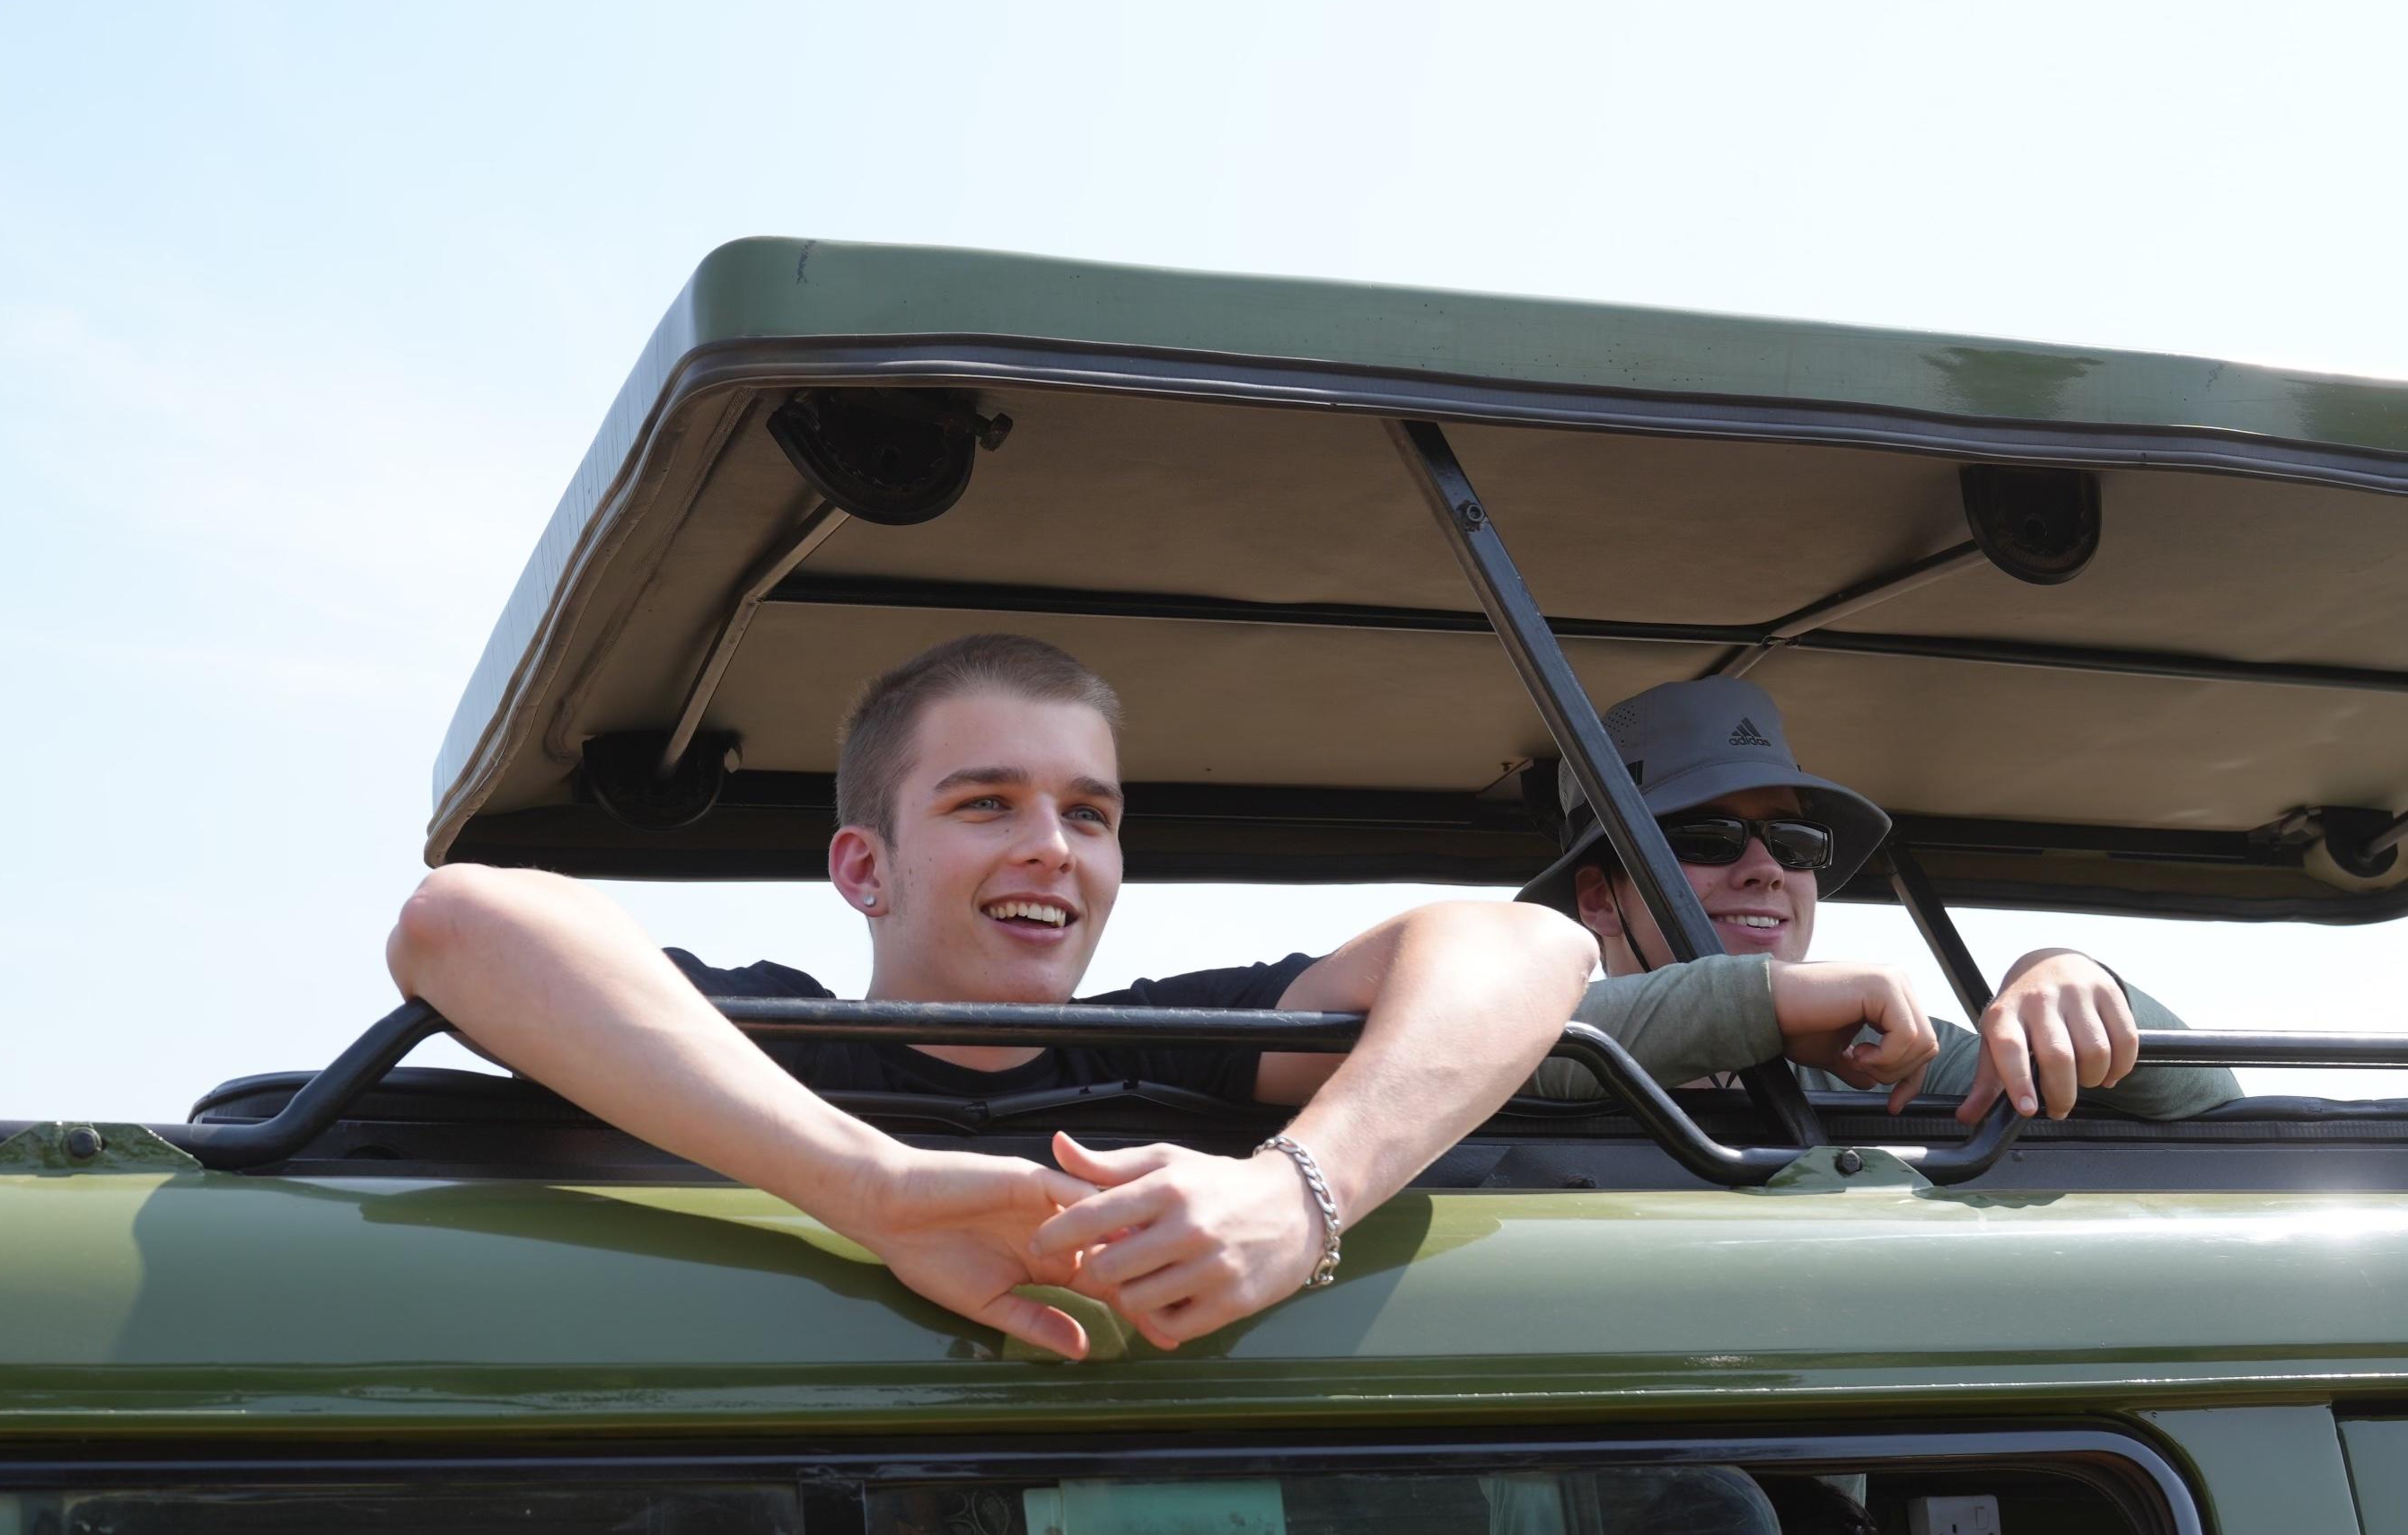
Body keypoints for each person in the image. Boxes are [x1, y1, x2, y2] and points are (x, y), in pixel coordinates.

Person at [386, 634, 1602, 1360]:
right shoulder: (757, 1049)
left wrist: (1296, 1197)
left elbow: (1533, 945)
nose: (1053, 849)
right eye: (986, 804)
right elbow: (458, 923)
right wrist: (874, 1192)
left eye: (1089, 814)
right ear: (865, 867)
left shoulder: (1185, 1048)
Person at [1514, 677, 2240, 1120]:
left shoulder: (1872, 1063)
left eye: (1795, 842)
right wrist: (1772, 1002)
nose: (1767, 869)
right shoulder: (1511, 1047)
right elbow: (1481, 1040)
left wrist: (2071, 980)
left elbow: (2215, 1117)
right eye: (1707, 838)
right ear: (1600, 902)